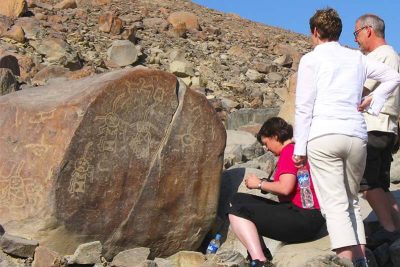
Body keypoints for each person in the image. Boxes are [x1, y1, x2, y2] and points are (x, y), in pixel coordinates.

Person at [293, 8, 400, 267]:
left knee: (334, 202)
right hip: (355, 135)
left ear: (315, 32)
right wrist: (372, 103)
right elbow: (393, 77)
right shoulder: (356, 58)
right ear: (338, 32)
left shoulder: (311, 60)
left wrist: (299, 147)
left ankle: (346, 261)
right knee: (352, 199)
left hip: (323, 135)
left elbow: (304, 106)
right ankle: (362, 257)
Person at [228, 117, 325, 267]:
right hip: (309, 216)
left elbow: (285, 188)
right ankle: (260, 255)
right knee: (237, 199)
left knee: (236, 208)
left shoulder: (288, 152)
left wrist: (259, 184)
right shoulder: (295, 149)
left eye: (266, 143)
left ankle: (260, 261)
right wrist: (267, 184)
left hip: (303, 218)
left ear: (275, 137)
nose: (266, 148)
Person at [354, 13, 400, 246]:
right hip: (388, 127)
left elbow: (359, 89)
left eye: (357, 33)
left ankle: (389, 229)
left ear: (368, 30)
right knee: (381, 183)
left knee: (367, 184)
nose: (356, 39)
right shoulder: (394, 54)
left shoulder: (379, 55)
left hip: (373, 125)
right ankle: (396, 227)